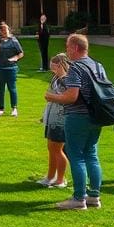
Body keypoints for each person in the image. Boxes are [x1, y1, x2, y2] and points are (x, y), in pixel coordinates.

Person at [46, 33, 107, 211]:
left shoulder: (75, 68)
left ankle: (79, 198)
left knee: (77, 155)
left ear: (75, 48)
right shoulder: (98, 65)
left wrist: (51, 97)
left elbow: (71, 96)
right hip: (97, 116)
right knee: (92, 155)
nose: (66, 50)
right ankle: (94, 196)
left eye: (67, 47)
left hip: (78, 117)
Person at [37, 53, 69, 188]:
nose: (52, 70)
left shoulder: (66, 80)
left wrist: (50, 96)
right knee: (51, 148)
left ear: (61, 65)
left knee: (57, 149)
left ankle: (60, 179)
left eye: (54, 67)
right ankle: (50, 176)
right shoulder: (56, 78)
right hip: (52, 117)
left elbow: (66, 99)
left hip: (60, 119)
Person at [0, 22, 24, 116]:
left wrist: (16, 58)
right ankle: (1, 108)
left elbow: (21, 53)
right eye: (2, 31)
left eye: (5, 30)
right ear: (0, 32)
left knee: (12, 88)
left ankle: (14, 108)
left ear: (8, 30)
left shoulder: (14, 40)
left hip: (11, 68)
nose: (4, 32)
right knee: (0, 89)